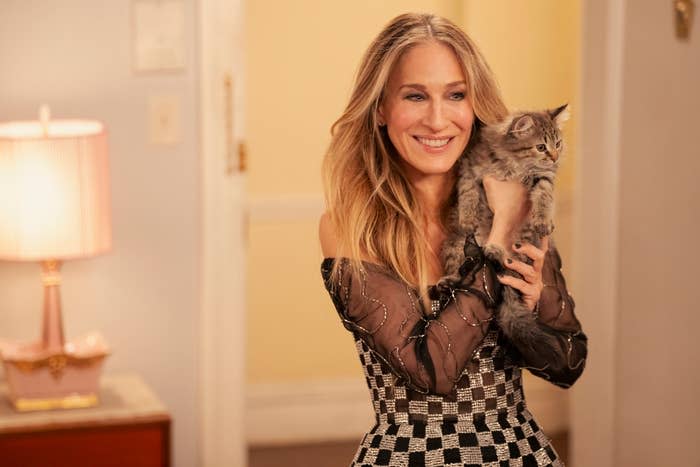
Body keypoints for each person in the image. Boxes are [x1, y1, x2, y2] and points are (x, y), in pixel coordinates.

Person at [319, 13, 587, 467]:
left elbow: (567, 365)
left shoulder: (515, 199)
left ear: (475, 104)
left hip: (516, 452)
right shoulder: (351, 224)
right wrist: (499, 235)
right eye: (415, 96)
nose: (438, 119)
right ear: (381, 108)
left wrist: (540, 299)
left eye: (456, 95)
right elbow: (433, 372)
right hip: (408, 454)